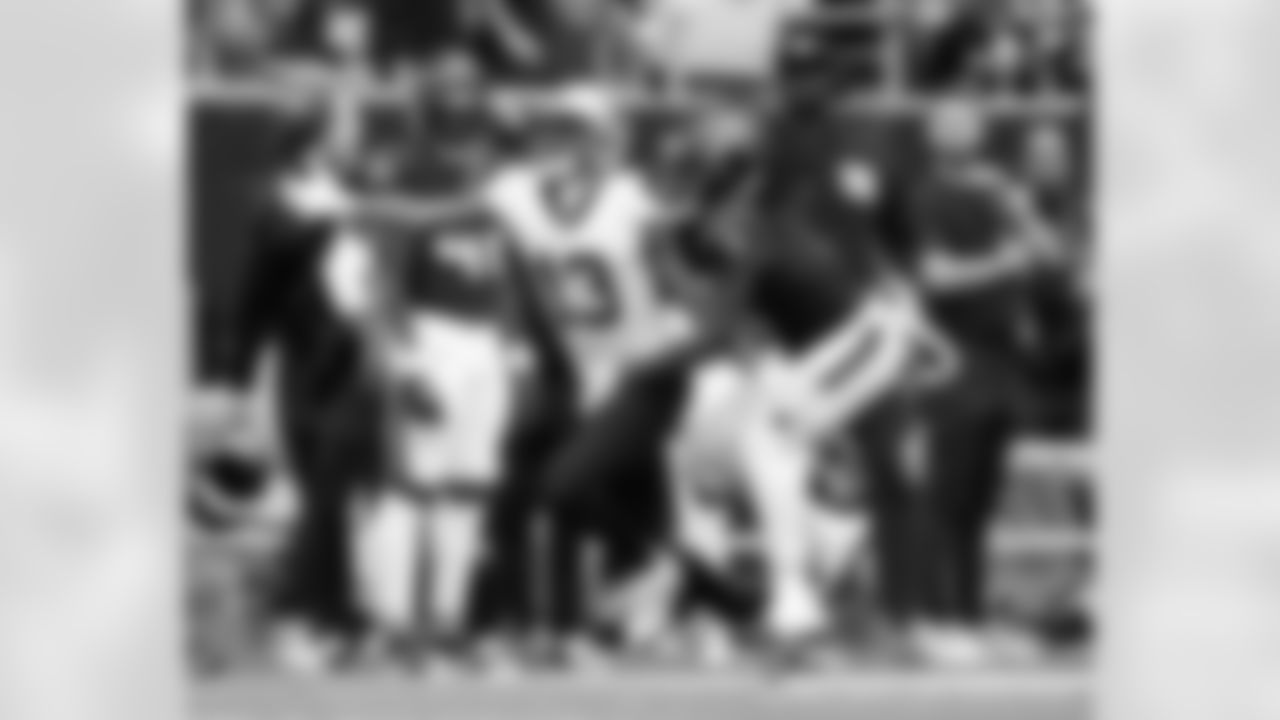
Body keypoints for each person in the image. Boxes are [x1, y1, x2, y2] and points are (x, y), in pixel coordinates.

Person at [866, 95, 1065, 666]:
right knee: (943, 500)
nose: (962, 129)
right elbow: (933, 276)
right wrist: (1003, 262)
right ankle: (933, 622)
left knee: (977, 506)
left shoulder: (999, 192)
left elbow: (1051, 257)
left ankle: (971, 622)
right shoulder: (926, 196)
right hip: (952, 365)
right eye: (949, 121)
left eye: (970, 120)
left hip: (1003, 368)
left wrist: (1020, 210)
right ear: (932, 135)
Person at [193, 118, 388, 674]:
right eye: (333, 140)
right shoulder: (280, 207)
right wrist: (235, 377)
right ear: (307, 150)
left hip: (358, 363)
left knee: (336, 488)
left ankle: (318, 617)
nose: (348, 149)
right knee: (322, 491)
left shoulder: (358, 199)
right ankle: (327, 618)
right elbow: (256, 294)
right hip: (306, 364)